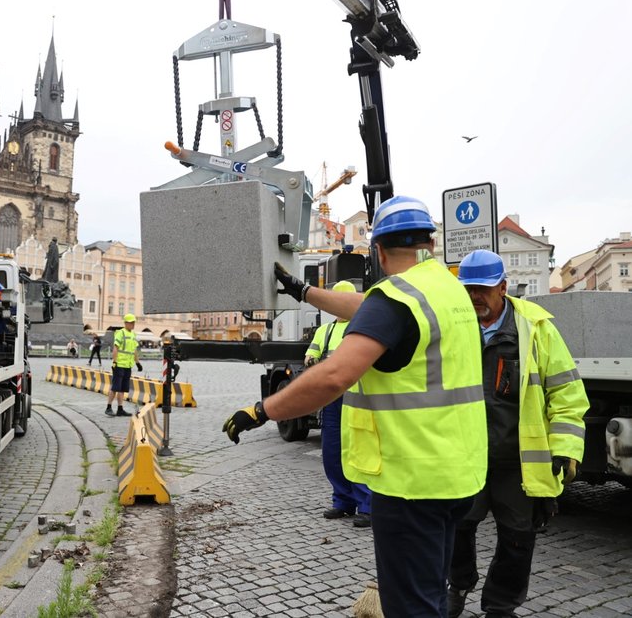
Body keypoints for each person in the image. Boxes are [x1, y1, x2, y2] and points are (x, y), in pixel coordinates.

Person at [223, 195, 488, 618]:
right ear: (431, 245)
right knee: (431, 592)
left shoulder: (396, 300)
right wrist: (303, 291)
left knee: (412, 607)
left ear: (378, 251)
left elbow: (333, 377)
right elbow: (365, 307)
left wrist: (263, 410)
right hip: (458, 474)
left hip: (411, 481)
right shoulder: (445, 289)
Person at [446, 249, 588, 618]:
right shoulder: (451, 327)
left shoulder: (537, 328)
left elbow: (567, 395)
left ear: (503, 288)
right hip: (465, 457)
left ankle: (500, 604)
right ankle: (457, 584)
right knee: (457, 527)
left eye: (482, 289)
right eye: (467, 289)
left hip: (518, 461)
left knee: (517, 537)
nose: (474, 297)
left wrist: (565, 447)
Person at [308, 280, 372, 529]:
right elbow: (311, 354)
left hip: (357, 400)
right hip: (332, 399)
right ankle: (343, 501)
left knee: (358, 452)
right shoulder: (325, 331)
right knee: (332, 452)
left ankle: (367, 505)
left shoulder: (363, 327)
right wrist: (312, 360)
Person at [106, 313, 143, 417]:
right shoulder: (120, 333)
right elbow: (115, 348)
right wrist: (114, 362)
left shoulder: (133, 335)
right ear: (126, 323)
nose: (133, 324)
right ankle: (108, 407)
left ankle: (120, 409)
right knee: (115, 387)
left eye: (134, 322)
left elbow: (134, 350)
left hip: (128, 365)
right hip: (119, 364)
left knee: (122, 388)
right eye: (131, 322)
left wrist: (137, 363)